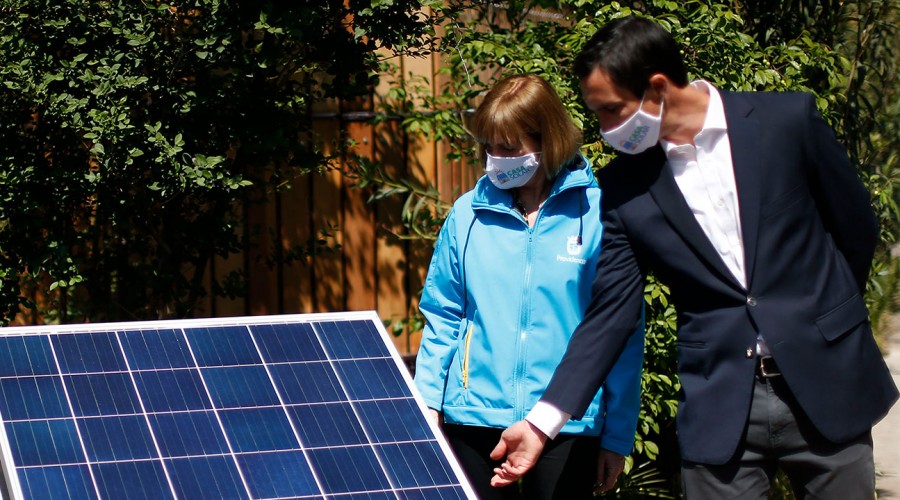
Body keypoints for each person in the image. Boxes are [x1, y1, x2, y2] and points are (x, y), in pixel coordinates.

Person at [489, 16, 899, 498]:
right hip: (720, 411)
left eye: (611, 111)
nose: (603, 130)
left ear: (658, 88)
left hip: (826, 387)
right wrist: (541, 424)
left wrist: (823, 321)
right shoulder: (625, 187)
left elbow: (854, 227)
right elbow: (611, 313)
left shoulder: (788, 122)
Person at [414, 73, 644, 499]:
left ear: (548, 140)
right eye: (488, 146)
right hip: (474, 416)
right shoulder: (467, 215)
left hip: (568, 421)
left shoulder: (598, 214)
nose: (495, 158)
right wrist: (428, 400)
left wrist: (617, 435)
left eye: (509, 147)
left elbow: (621, 331)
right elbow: (443, 313)